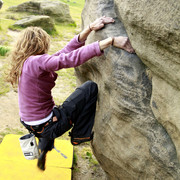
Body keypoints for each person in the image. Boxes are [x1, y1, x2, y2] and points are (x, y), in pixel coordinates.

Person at [8, 16, 134, 171]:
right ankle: (79, 135)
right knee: (89, 88)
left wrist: (88, 29)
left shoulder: (25, 62)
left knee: (50, 118)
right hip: (48, 124)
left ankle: (44, 147)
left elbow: (62, 54)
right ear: (41, 44)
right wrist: (109, 41)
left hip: (31, 123)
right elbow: (70, 59)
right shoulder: (37, 62)